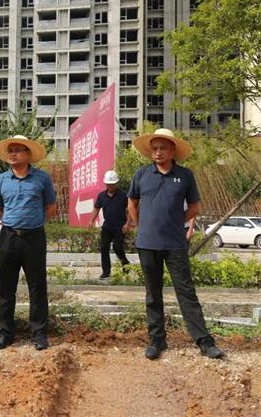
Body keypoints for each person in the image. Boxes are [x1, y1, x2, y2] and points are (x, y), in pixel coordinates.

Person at [128, 128, 224, 360]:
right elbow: (132, 202)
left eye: (163, 148)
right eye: (155, 148)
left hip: (175, 244)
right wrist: (141, 226)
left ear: (173, 151)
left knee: (186, 292)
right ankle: (157, 341)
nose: (158, 152)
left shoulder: (185, 175)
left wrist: (176, 221)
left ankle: (204, 341)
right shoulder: (142, 174)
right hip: (147, 244)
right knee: (153, 294)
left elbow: (195, 207)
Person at [0, 135, 56, 351]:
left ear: (28, 154)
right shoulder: (1, 180)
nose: (13, 154)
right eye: (10, 150)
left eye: (18, 150)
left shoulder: (42, 178)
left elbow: (51, 207)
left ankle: (39, 334)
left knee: (37, 287)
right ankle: (6, 333)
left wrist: (35, 223)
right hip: (8, 237)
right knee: (6, 288)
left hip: (34, 238)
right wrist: (12, 222)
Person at [87, 170, 131, 279]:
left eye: (112, 184)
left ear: (116, 183)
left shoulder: (124, 195)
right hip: (107, 226)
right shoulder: (101, 196)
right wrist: (91, 220)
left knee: (117, 247)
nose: (110, 186)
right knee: (104, 247)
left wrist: (127, 223)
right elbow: (96, 208)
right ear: (105, 183)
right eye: (108, 184)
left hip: (120, 226)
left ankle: (125, 264)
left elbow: (129, 210)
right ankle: (106, 272)